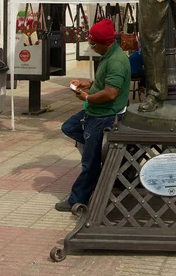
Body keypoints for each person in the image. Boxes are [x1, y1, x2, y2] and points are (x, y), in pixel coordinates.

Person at [55, 19, 130, 212]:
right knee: (69, 127)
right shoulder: (108, 54)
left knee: (90, 163)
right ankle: (98, 154)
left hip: (103, 116)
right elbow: (103, 83)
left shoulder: (115, 61)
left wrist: (87, 98)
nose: (91, 46)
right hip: (95, 113)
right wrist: (86, 84)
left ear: (106, 42)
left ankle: (77, 200)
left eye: (93, 43)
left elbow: (110, 93)